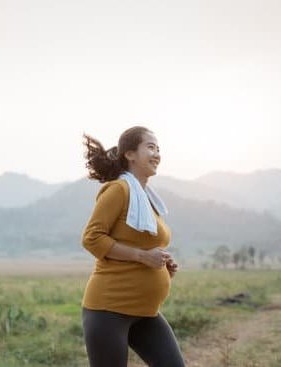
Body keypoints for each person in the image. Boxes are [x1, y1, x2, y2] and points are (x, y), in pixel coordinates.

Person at [81, 126, 185, 367]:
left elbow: (140, 243)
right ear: (130, 154)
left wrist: (161, 268)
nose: (157, 153)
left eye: (159, 149)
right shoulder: (119, 189)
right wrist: (143, 257)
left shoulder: (146, 197)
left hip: (145, 312)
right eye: (150, 147)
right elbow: (92, 237)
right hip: (109, 311)